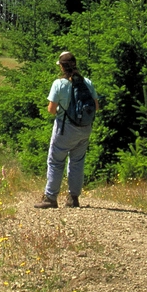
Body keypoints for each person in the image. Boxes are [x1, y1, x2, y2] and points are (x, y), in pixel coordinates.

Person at [34, 51, 99, 209]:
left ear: (62, 67)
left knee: (56, 161)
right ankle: (73, 199)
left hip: (65, 129)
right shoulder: (87, 82)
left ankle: (50, 198)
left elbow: (51, 109)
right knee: (77, 162)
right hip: (84, 129)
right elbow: (96, 106)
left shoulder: (59, 84)